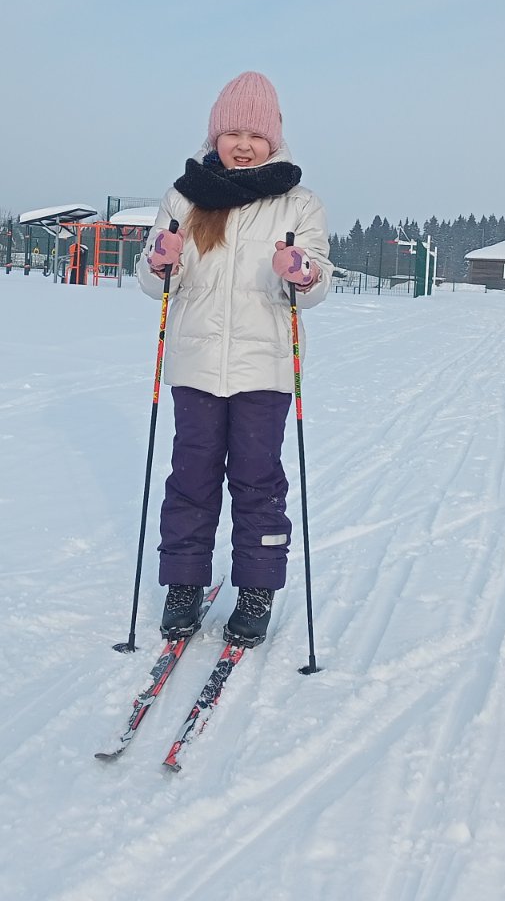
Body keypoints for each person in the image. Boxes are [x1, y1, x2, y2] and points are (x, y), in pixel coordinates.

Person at [135, 70, 331, 648]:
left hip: (264, 369)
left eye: (255, 132)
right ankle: (184, 585)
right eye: (231, 132)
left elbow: (316, 283)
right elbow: (154, 283)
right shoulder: (184, 197)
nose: (243, 144)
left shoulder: (299, 203)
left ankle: (256, 588)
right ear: (214, 136)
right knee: (191, 480)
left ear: (274, 137)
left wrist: (302, 271)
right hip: (195, 366)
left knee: (257, 480)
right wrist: (160, 262)